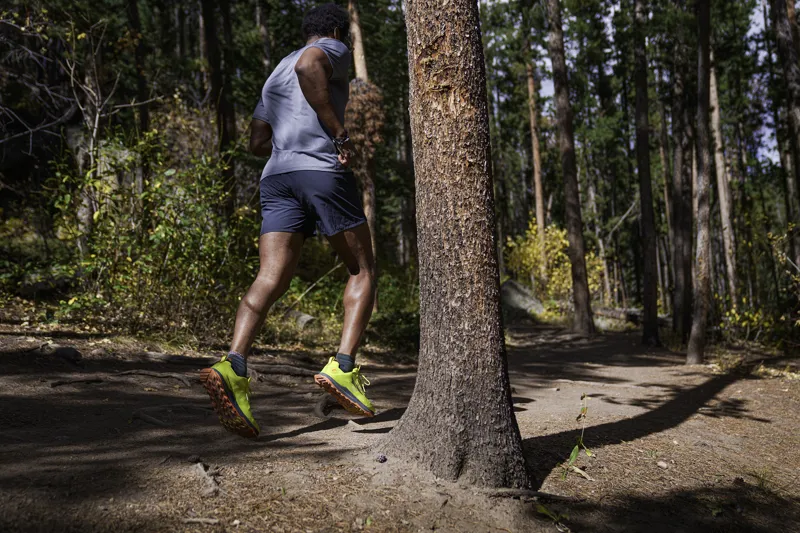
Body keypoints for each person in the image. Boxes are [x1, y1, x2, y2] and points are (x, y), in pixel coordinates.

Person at [200, 3, 376, 439]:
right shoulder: (325, 49)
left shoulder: (275, 70)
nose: (345, 47)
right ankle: (344, 367)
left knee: (271, 275)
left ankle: (234, 365)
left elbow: (258, 140)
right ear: (335, 30)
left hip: (277, 177)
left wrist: (289, 142)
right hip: (321, 172)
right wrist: (338, 132)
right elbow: (310, 64)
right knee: (362, 269)